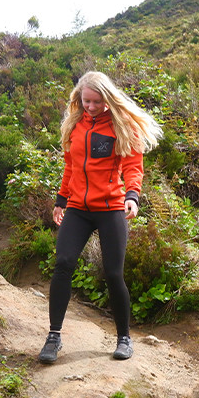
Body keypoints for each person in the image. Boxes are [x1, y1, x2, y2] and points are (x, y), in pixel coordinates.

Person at [38, 71, 163, 364]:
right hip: (78, 209)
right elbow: (70, 167)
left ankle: (124, 338)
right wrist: (61, 200)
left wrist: (132, 196)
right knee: (63, 263)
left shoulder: (123, 127)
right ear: (79, 99)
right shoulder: (75, 126)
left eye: (96, 102)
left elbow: (133, 166)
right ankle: (53, 337)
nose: (91, 107)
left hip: (110, 209)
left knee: (113, 273)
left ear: (107, 99)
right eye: (86, 101)